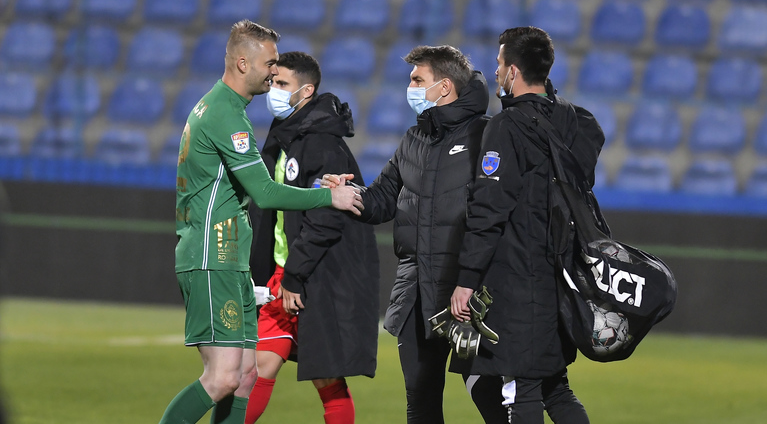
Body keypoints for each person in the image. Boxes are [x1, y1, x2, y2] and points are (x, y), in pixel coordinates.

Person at [159, 20, 363, 424]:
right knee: (222, 378)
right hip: (211, 254)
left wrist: (315, 182)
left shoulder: (224, 109)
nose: (273, 72)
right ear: (241, 62)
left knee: (248, 376)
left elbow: (259, 186)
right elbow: (267, 193)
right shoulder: (225, 116)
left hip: (229, 257)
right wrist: (330, 196)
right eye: (269, 63)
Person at [325, 45, 493, 424]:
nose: (410, 87)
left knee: (488, 393)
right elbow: (382, 199)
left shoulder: (486, 136)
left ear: (445, 87)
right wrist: (346, 194)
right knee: (420, 397)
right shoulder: (414, 138)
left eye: (418, 79)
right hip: (416, 288)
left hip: (469, 292)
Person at [450, 26, 604, 424]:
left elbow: (489, 209)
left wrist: (466, 279)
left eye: (500, 64)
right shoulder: (575, 122)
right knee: (557, 387)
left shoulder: (506, 127)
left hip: (519, 280)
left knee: (522, 389)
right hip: (562, 277)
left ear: (514, 71)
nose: (497, 72)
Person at [244, 51, 379, 424]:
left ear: (306, 91)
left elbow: (326, 220)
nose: (273, 90)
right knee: (255, 372)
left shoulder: (322, 145)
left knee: (326, 379)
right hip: (283, 276)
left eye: (282, 84)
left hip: (310, 279)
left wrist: (295, 275)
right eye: (272, 82)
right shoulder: (286, 134)